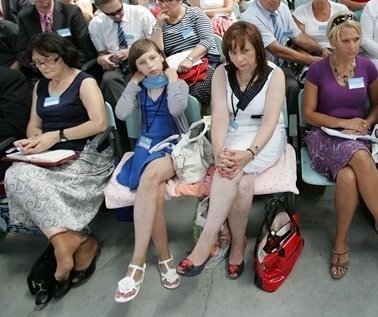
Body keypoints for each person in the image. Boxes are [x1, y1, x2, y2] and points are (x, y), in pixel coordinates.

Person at [4, 34, 112, 298]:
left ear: (62, 56)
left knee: (28, 181)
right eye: (37, 62)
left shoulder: (83, 82)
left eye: (48, 60)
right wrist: (32, 141)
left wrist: (58, 135)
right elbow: (34, 124)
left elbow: (100, 124)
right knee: (16, 174)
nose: (43, 67)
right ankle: (66, 240)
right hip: (49, 153)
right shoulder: (41, 86)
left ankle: (71, 243)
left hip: (84, 154)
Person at [303, 11, 378, 279]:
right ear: (333, 41)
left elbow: (376, 105)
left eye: (357, 40)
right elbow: (309, 114)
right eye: (346, 41)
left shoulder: (367, 67)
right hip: (323, 133)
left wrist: (365, 122)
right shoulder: (317, 70)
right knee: (360, 157)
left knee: (348, 177)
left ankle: (340, 242)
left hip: (358, 133)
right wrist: (343, 123)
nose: (353, 46)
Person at [177, 22, 286, 278]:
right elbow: (220, 118)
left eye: (245, 51)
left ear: (258, 50)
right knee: (242, 182)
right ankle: (238, 243)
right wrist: (218, 152)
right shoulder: (221, 73)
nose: (239, 58)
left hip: (266, 137)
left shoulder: (274, 74)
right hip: (234, 134)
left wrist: (250, 153)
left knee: (229, 173)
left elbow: (270, 120)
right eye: (233, 52)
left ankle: (205, 244)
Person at [113, 39, 189, 302]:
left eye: (153, 58)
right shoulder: (140, 88)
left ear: (161, 57)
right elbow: (121, 114)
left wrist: (173, 78)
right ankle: (165, 257)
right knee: (153, 190)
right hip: (145, 146)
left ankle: (137, 263)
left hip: (171, 145)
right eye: (142, 63)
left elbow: (176, 109)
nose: (150, 65)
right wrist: (133, 83)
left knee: (150, 177)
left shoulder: (176, 82)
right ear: (136, 68)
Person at [241, 0, 325, 114]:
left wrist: (321, 49)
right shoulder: (250, 18)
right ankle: (290, 130)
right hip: (258, 69)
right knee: (291, 86)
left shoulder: (283, 8)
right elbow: (276, 49)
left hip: (279, 65)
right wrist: (311, 60)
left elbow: (297, 37)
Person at [151, 0, 219, 105]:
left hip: (202, 59)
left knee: (196, 90)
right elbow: (157, 50)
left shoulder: (195, 13)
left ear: (179, 0)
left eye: (168, 0)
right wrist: (159, 25)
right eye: (160, 0)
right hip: (176, 66)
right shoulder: (159, 22)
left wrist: (190, 59)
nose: (163, 5)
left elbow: (207, 40)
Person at [17, 0, 96, 75]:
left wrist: (62, 69)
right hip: (40, 73)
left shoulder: (71, 12)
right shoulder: (24, 16)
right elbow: (22, 51)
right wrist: (41, 67)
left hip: (70, 70)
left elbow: (86, 50)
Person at [89, 0, 155, 108]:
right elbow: (102, 52)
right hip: (117, 65)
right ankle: (126, 118)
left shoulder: (140, 13)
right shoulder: (96, 24)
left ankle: (138, 114)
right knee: (108, 80)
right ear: (100, 9)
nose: (117, 16)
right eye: (111, 14)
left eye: (119, 10)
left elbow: (155, 43)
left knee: (134, 78)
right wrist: (102, 59)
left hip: (141, 59)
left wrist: (131, 52)